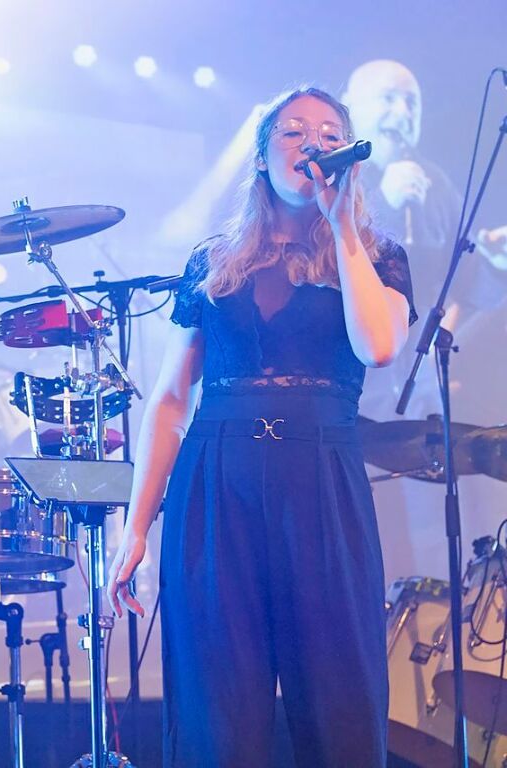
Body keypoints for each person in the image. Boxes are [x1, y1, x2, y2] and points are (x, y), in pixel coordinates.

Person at [107, 87, 415, 767]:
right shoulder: (213, 262)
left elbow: (380, 346)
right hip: (216, 482)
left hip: (322, 483)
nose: (313, 142)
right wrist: (135, 528)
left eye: (331, 132)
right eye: (295, 130)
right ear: (261, 155)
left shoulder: (374, 254)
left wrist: (341, 227)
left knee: (338, 700)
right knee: (218, 713)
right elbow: (166, 401)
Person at [343, 59, 507, 417]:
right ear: (350, 106)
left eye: (411, 103)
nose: (401, 113)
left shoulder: (436, 185)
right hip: (349, 392)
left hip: (419, 396)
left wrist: (494, 264)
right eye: (388, 99)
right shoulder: (332, 180)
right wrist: (385, 201)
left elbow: (466, 286)